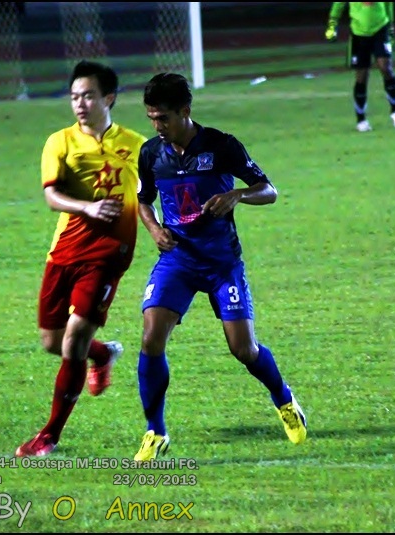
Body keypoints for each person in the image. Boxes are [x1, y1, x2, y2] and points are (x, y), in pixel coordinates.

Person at [132, 73, 307, 461]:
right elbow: (143, 200)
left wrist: (237, 195)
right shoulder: (151, 154)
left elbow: (268, 190)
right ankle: (155, 431)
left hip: (221, 262)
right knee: (151, 337)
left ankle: (284, 400)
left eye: (163, 118)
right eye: (151, 118)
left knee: (243, 349)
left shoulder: (221, 145)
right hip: (178, 259)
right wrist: (155, 229)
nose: (157, 126)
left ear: (185, 111)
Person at [15, 60, 147, 458]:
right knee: (51, 341)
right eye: (74, 97)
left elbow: (151, 194)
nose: (80, 104)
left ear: (109, 99)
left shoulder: (138, 146)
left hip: (108, 254)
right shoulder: (60, 142)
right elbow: (51, 196)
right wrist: (87, 207)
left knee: (73, 341)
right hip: (65, 251)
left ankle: (49, 436)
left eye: (88, 96)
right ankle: (102, 353)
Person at [325, 2, 395, 132]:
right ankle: (361, 119)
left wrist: (391, 25)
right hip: (358, 32)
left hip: (380, 27)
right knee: (361, 76)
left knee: (385, 67)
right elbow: (339, 4)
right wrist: (332, 24)